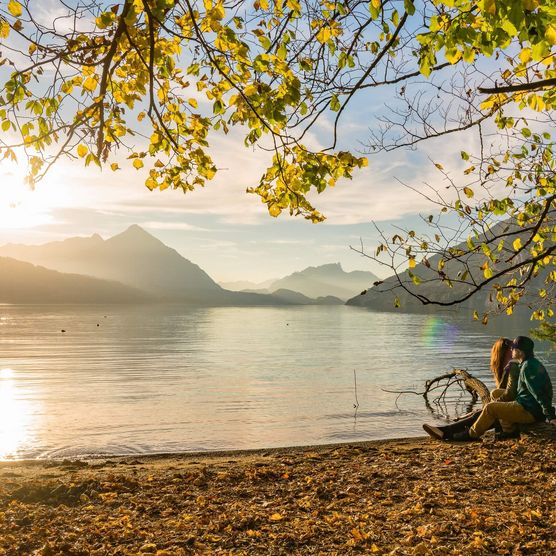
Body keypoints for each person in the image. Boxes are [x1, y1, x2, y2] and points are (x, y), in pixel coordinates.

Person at [453, 336, 556, 441]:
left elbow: (538, 393)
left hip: (529, 410)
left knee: (490, 408)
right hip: (528, 404)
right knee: (496, 393)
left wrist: (550, 416)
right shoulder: (528, 363)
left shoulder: (528, 367)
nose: (511, 349)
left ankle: (471, 434)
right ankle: (509, 430)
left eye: (514, 348)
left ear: (520, 351)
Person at [422, 338, 520, 440]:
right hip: (510, 409)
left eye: (514, 349)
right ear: (503, 353)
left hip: (517, 411)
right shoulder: (508, 369)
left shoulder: (514, 368)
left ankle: (448, 432)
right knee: (482, 413)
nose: (514, 352)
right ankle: (448, 432)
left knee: (483, 413)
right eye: (511, 350)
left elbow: (509, 395)